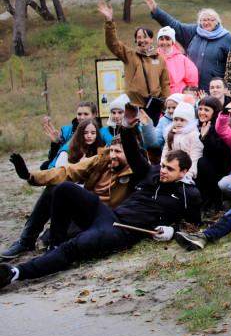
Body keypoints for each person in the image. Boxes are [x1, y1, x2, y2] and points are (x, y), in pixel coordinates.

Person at [0, 123, 201, 291]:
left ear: (184, 172)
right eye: (164, 165)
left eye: (170, 169)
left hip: (122, 231)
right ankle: (54, 245)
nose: (163, 171)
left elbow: (194, 224)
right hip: (107, 214)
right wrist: (127, 126)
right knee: (63, 189)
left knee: (73, 247)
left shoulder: (188, 195)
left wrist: (171, 230)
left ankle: (16, 273)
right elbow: (133, 153)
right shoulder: (152, 172)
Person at [2, 133, 136, 259]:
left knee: (67, 238)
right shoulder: (102, 160)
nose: (113, 155)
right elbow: (69, 171)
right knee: (54, 189)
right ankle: (26, 241)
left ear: (131, 152)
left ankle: (54, 246)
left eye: (118, 152)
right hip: (85, 212)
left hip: (105, 220)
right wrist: (30, 176)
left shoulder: (138, 169)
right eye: (112, 150)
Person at [145, 0, 231, 91]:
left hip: (214, 89)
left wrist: (228, 88)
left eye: (210, 20)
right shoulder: (193, 32)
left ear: (217, 22)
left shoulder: (225, 38)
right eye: (203, 20)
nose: (206, 23)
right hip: (190, 89)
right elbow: (173, 24)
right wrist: (156, 11)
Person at [97, 1, 170, 109]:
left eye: (145, 37)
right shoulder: (129, 55)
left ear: (151, 39)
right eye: (139, 38)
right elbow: (112, 44)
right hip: (133, 106)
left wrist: (165, 107)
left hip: (153, 107)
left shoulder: (160, 59)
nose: (142, 40)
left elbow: (165, 84)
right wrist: (109, 21)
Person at [41, 101, 106, 170]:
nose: (82, 117)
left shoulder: (102, 133)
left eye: (86, 114)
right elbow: (54, 158)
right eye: (79, 114)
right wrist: (56, 143)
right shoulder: (67, 131)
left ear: (94, 114)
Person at [193, 96, 228, 212]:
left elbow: (220, 152)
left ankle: (214, 202)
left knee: (203, 162)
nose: (202, 112)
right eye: (200, 109)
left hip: (220, 168)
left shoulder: (219, 127)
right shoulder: (198, 125)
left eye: (206, 110)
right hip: (205, 167)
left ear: (215, 112)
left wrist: (205, 137)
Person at [162, 102, 203, 179]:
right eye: (176, 119)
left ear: (189, 121)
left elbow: (195, 156)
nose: (178, 122)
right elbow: (165, 152)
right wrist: (162, 166)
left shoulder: (194, 135)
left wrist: (190, 174)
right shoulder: (172, 133)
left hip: (185, 172)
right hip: (171, 169)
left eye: (182, 120)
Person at [154, 26, 199, 96]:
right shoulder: (152, 58)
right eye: (161, 39)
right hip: (157, 96)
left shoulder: (182, 59)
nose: (164, 42)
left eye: (167, 39)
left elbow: (192, 81)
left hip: (177, 97)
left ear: (172, 41)